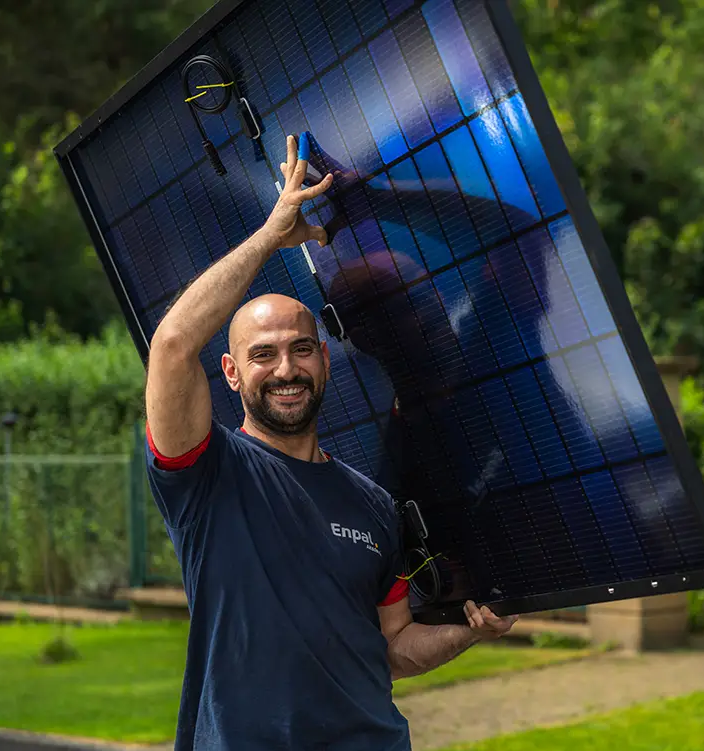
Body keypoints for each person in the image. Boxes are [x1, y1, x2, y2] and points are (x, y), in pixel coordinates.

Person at [144, 132, 518, 751]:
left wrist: (470, 632)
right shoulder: (206, 474)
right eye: (261, 355)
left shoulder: (373, 502)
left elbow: (395, 647)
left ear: (325, 360)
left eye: (300, 348)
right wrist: (270, 235)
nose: (285, 368)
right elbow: (173, 346)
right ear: (232, 374)